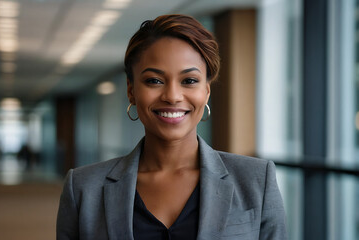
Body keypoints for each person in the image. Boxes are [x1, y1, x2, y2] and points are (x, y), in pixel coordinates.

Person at [56, 14, 287, 240]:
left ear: (206, 92)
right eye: (154, 81)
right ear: (131, 91)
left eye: (189, 81)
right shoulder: (84, 188)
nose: (172, 96)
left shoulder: (256, 181)